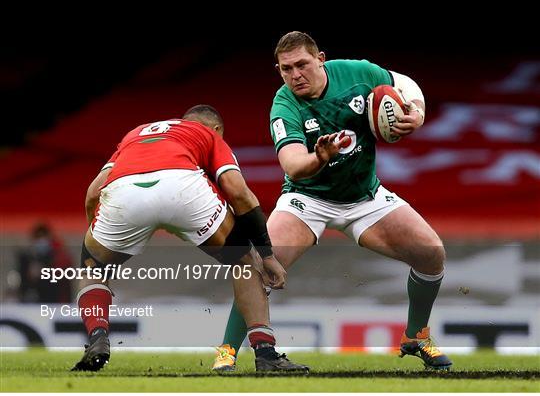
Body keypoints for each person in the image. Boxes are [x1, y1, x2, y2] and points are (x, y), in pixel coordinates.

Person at [213, 32, 452, 371]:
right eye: (286, 69)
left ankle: (416, 336)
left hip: (364, 196)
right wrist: (319, 158)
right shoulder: (284, 104)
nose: (295, 75)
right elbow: (293, 165)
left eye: (302, 65)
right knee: (258, 266)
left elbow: (406, 85)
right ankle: (227, 351)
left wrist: (416, 113)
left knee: (431, 254)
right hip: (307, 198)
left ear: (321, 59)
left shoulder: (357, 73)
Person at [71, 104, 308, 372]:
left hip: (124, 192)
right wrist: (266, 254)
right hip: (183, 187)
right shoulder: (207, 135)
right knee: (245, 262)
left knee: (92, 270)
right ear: (217, 129)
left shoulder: (136, 135)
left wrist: (102, 237)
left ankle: (97, 336)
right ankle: (265, 353)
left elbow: (93, 192)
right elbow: (239, 193)